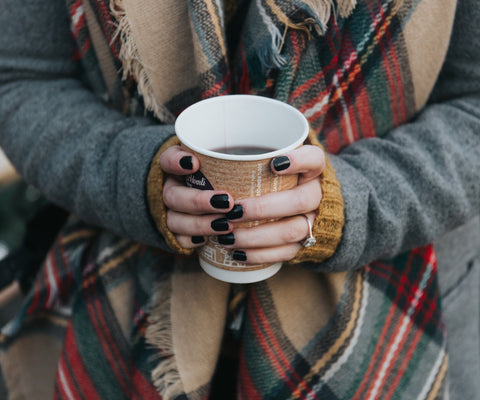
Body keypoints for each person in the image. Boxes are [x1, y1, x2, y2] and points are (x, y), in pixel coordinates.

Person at [0, 0, 479, 398]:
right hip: (125, 317)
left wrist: (351, 203)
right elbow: (22, 79)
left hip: (396, 316)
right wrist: (138, 178)